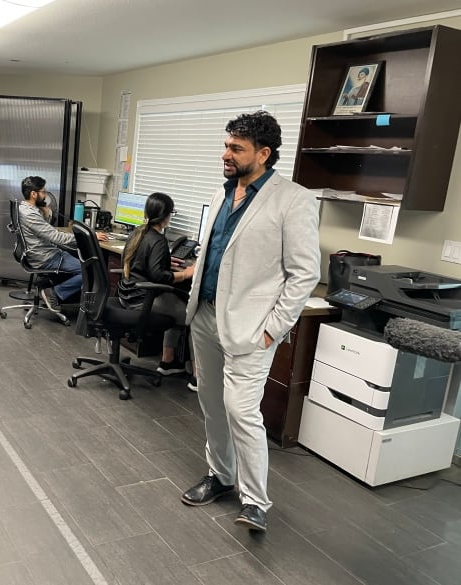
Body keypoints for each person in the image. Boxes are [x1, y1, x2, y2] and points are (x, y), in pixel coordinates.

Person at [180, 111, 320, 533]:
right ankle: (220, 476)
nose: (226, 153)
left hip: (251, 328)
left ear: (264, 153)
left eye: (236, 148)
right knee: (212, 406)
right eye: (226, 145)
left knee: (242, 412)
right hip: (205, 315)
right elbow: (217, 251)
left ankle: (255, 500)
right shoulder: (226, 191)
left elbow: (304, 274)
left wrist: (272, 328)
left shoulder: (294, 200)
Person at [117, 192, 195, 384]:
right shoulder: (158, 240)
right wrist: (185, 273)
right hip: (145, 300)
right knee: (195, 316)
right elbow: (158, 276)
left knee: (176, 307)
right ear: (167, 215)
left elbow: (143, 264)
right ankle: (197, 376)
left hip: (127, 295)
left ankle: (167, 362)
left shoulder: (138, 232)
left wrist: (165, 260)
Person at [18, 176, 107, 314]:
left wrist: (47, 213)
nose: (45, 195)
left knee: (76, 255)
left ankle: (54, 289)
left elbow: (44, 231)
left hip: (42, 253)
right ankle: (54, 293)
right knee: (90, 271)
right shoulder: (30, 214)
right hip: (45, 257)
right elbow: (56, 237)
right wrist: (90, 237)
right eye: (43, 192)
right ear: (33, 194)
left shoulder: (26, 208)